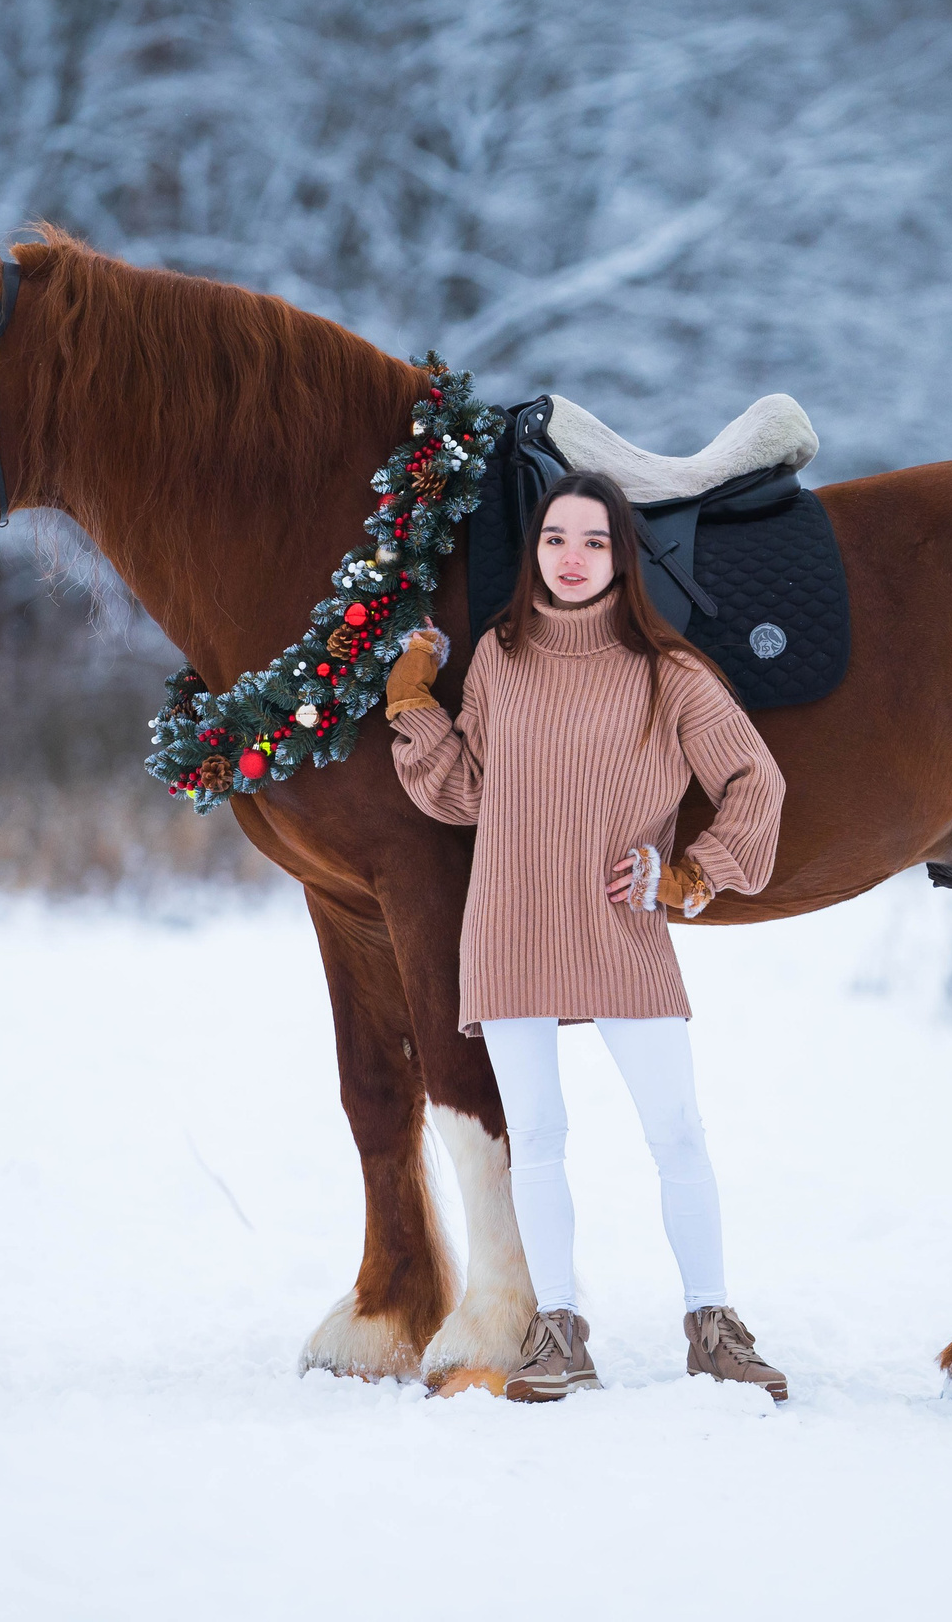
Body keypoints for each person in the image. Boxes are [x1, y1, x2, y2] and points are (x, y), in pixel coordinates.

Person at [383, 469, 790, 1403]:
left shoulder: (671, 673)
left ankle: (713, 1323)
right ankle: (557, 1328)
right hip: (512, 923)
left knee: (677, 1133)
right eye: (556, 539)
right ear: (535, 553)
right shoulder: (498, 657)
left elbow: (755, 784)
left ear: (623, 556)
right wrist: (413, 703)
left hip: (621, 929)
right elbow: (472, 794)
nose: (572, 559)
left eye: (595, 541)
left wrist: (691, 875)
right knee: (538, 1133)